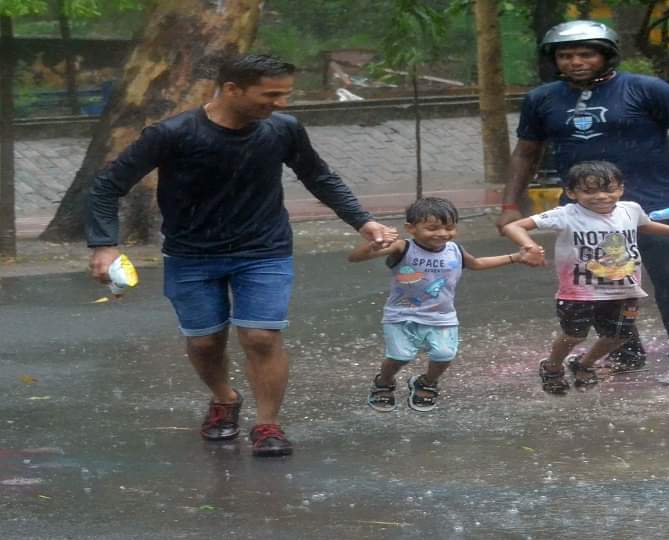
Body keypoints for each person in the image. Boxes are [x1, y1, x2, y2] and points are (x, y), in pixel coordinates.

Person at [86, 54, 397, 457]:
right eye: (271, 94)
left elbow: (318, 176)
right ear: (232, 89)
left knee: (261, 336)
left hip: (263, 249)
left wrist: (363, 221)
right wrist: (104, 245)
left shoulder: (282, 129)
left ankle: (268, 425)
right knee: (205, 343)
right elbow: (107, 186)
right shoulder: (173, 134)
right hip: (191, 254)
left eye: (285, 94)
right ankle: (224, 398)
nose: (281, 103)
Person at [496, 20, 669, 382]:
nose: (575, 62)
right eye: (566, 55)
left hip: (655, 205)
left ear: (606, 55)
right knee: (603, 286)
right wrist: (509, 204)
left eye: (586, 54)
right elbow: (525, 153)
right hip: (587, 217)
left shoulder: (646, 89)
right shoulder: (543, 99)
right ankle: (624, 352)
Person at [503, 161, 669, 393]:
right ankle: (552, 366)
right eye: (589, 191)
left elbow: (646, 225)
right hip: (579, 291)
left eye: (609, 190)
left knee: (618, 336)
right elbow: (514, 226)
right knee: (573, 335)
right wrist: (529, 246)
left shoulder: (630, 209)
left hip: (624, 289)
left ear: (621, 189)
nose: (601, 196)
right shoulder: (566, 214)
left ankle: (584, 364)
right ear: (571, 193)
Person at [349, 197, 544, 412]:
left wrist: (516, 256)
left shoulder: (454, 250)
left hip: (442, 316)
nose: (442, 234)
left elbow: (477, 264)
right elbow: (354, 258)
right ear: (410, 228)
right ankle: (384, 382)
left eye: (449, 228)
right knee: (399, 356)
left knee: (444, 356)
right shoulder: (402, 247)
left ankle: (426, 382)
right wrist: (372, 246)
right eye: (432, 228)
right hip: (402, 314)